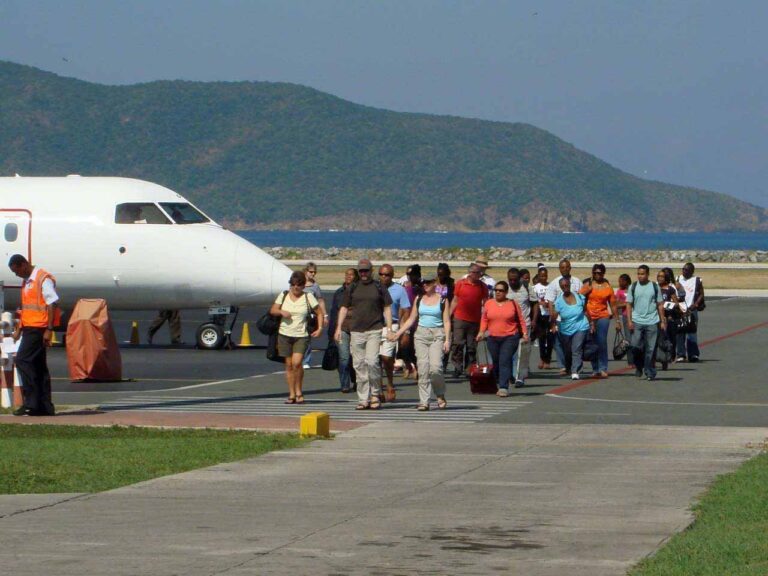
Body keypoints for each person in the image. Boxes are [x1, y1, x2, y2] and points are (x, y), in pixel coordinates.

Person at [335, 258, 394, 410]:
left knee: (373, 362)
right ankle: (363, 398)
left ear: (371, 271)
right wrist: (338, 328)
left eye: (366, 270)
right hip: (356, 331)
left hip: (374, 329)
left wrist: (389, 329)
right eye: (361, 271)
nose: (363, 273)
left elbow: (387, 307)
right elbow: (343, 308)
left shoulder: (378, 286)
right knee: (359, 365)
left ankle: (375, 393)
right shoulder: (353, 287)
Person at [8, 254, 61, 416]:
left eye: (17, 271)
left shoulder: (42, 278)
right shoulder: (27, 281)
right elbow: (27, 308)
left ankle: (32, 402)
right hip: (30, 327)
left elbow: (52, 302)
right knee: (38, 366)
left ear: (24, 264)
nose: (17, 275)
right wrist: (19, 328)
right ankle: (44, 406)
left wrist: (49, 329)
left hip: (39, 328)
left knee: (22, 360)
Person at [391, 271, 451, 411]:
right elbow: (411, 319)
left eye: (429, 283)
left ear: (435, 283)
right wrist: (398, 333)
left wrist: (447, 340)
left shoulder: (443, 300)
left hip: (437, 334)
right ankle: (424, 401)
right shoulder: (419, 299)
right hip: (421, 334)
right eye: (424, 283)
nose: (426, 285)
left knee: (436, 368)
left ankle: (440, 393)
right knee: (423, 368)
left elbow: (447, 321)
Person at [269, 271, 323, 404]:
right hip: (284, 334)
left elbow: (319, 312)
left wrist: (320, 328)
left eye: (298, 285)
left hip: (301, 335)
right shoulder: (284, 295)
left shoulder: (308, 297)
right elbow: (273, 310)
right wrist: (281, 311)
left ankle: (299, 391)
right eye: (293, 284)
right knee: (288, 365)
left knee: (297, 363)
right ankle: (292, 393)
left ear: (303, 286)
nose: (295, 287)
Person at [477, 281, 529, 397]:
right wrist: (481, 332)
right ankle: (506, 377)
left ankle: (503, 387)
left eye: (501, 290)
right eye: (496, 290)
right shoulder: (489, 303)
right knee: (496, 362)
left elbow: (521, 320)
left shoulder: (512, 304)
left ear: (506, 292)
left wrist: (525, 333)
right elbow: (484, 319)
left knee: (504, 359)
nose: (498, 292)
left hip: (510, 337)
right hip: (493, 337)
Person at [626, 265, 666, 381]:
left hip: (652, 321)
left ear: (647, 274)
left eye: (642, 274)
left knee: (650, 348)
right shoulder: (633, 287)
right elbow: (629, 304)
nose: (640, 276)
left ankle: (650, 371)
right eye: (638, 274)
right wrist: (629, 321)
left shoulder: (654, 287)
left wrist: (662, 321)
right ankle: (639, 365)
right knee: (635, 345)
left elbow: (660, 305)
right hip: (637, 321)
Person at [579, 263, 619, 378]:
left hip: (603, 316)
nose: (597, 275)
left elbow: (613, 305)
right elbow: (579, 298)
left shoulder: (607, 287)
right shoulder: (588, 284)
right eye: (595, 273)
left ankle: (603, 368)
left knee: (601, 342)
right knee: (592, 343)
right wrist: (585, 291)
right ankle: (595, 368)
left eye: (599, 273)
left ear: (603, 273)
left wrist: (617, 321)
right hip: (589, 316)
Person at [378, 263, 411, 402]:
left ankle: (390, 383)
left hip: (392, 326)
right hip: (374, 325)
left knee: (386, 357)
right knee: (373, 360)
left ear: (392, 276)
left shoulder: (399, 290)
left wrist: (405, 332)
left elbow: (406, 311)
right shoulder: (374, 288)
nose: (384, 277)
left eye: (387, 275)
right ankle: (378, 388)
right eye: (381, 274)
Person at [545, 258, 583, 375]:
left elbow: (582, 299)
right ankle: (562, 366)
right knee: (560, 344)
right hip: (560, 319)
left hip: (576, 319)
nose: (565, 269)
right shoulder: (554, 283)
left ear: (570, 268)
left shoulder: (577, 282)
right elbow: (550, 302)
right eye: (562, 267)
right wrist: (553, 321)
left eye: (567, 267)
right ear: (559, 269)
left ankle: (574, 366)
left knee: (575, 345)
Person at [450, 263, 487, 377]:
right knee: (457, 344)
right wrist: (449, 315)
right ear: (471, 273)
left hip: (475, 320)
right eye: (477, 273)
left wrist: (486, 320)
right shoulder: (460, 284)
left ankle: (469, 367)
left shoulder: (482, 286)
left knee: (471, 346)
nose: (479, 275)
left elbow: (485, 303)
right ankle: (457, 367)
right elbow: (455, 300)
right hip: (460, 318)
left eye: (480, 273)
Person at [551, 277, 591, 380]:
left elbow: (585, 311)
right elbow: (554, 315)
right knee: (567, 351)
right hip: (566, 329)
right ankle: (569, 367)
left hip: (581, 326)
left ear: (570, 285)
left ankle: (575, 371)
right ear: (561, 287)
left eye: (567, 285)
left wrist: (591, 324)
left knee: (576, 349)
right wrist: (553, 326)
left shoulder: (579, 296)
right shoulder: (559, 301)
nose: (565, 287)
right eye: (563, 286)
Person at [328, 267, 358, 393]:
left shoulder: (359, 291)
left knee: (356, 358)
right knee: (344, 358)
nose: (348, 276)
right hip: (342, 328)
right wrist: (332, 330)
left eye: (351, 275)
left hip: (357, 328)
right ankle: (344, 384)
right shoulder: (339, 292)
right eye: (346, 274)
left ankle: (357, 381)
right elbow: (334, 312)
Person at [506, 267, 538, 388]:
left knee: (522, 352)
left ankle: (520, 377)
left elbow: (535, 304)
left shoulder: (526, 287)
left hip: (525, 324)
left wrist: (534, 320)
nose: (512, 282)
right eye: (510, 280)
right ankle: (509, 374)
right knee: (509, 352)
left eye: (514, 280)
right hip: (509, 326)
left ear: (519, 278)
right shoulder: (505, 288)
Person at [675, 262, 704, 363]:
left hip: (691, 309)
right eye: (683, 269)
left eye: (686, 270)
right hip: (680, 309)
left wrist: (696, 304)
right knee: (680, 332)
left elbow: (701, 294)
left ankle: (693, 354)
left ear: (692, 271)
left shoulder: (697, 280)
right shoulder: (677, 279)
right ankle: (681, 354)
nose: (684, 271)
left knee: (692, 333)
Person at [301, 262, 327, 369]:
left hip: (310, 316)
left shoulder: (315, 286)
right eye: (311, 272)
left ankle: (305, 360)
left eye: (314, 272)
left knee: (307, 338)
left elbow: (320, 301)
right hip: (299, 314)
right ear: (305, 271)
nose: (313, 274)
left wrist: (324, 315)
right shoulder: (299, 284)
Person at [533, 266, 554, 369]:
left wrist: (549, 304)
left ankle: (548, 359)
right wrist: (541, 303)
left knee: (550, 338)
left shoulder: (551, 286)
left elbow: (554, 299)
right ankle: (542, 358)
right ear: (538, 276)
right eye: (541, 276)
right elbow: (534, 301)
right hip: (540, 315)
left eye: (545, 275)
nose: (543, 277)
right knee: (541, 338)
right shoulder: (535, 287)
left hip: (549, 314)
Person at [614, 273, 634, 366]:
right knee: (628, 338)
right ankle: (631, 360)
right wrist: (627, 304)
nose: (619, 283)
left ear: (626, 281)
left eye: (621, 281)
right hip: (626, 316)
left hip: (637, 316)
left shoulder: (633, 289)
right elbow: (617, 305)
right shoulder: (619, 292)